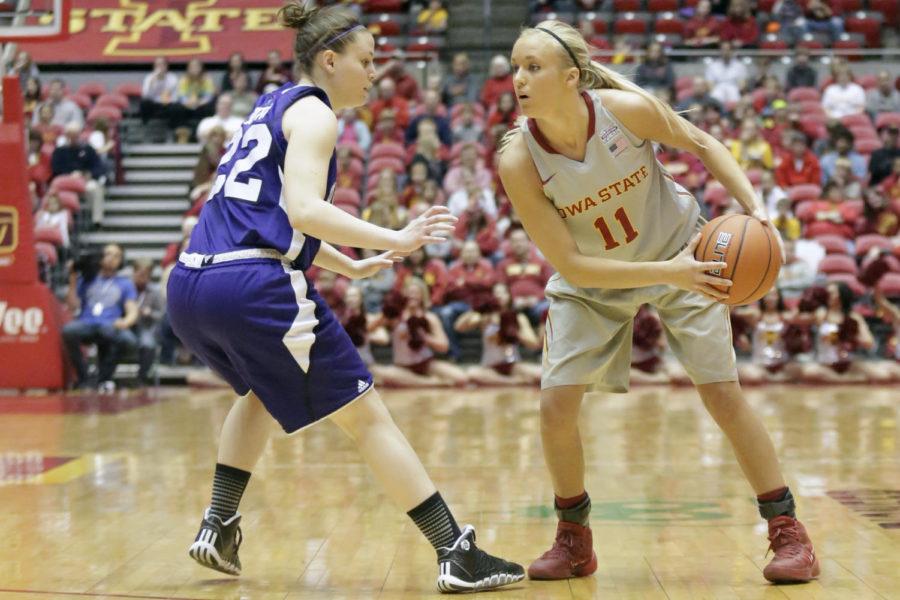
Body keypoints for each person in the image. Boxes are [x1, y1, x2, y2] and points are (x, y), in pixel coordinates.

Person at [164, 3, 523, 593]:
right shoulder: (317, 116)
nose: (374, 73)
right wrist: (398, 237)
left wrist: (350, 266)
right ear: (329, 60)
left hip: (192, 283)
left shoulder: (268, 105)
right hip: (251, 286)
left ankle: (219, 523)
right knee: (366, 414)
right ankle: (453, 553)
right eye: (366, 60)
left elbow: (273, 217)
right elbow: (305, 211)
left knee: (259, 391)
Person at [497, 19, 819, 584]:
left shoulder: (625, 111)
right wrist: (669, 273)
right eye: (515, 68)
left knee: (722, 396)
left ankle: (788, 531)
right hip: (599, 279)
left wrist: (754, 206)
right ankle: (574, 539)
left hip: (682, 250)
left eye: (532, 67)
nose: (518, 79)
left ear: (571, 77)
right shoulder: (519, 161)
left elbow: (703, 144)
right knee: (554, 406)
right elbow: (570, 264)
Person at [63, 244, 138, 392]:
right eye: (108, 254)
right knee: (68, 331)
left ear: (121, 261)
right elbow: (72, 305)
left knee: (124, 338)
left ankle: (104, 378)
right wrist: (72, 278)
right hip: (86, 322)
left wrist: (125, 322)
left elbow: (132, 310)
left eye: (116, 256)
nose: (111, 259)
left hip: (110, 324)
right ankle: (83, 377)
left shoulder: (125, 283)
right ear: (100, 257)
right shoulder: (87, 278)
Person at [454, 282, 543, 385]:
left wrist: (515, 331)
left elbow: (533, 344)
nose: (499, 295)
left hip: (513, 365)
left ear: (509, 296)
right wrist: (476, 308)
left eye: (503, 292)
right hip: (490, 367)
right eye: (496, 293)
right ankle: (512, 382)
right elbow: (458, 327)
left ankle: (504, 381)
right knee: (472, 373)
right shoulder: (485, 317)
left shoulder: (518, 317)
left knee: (542, 374)